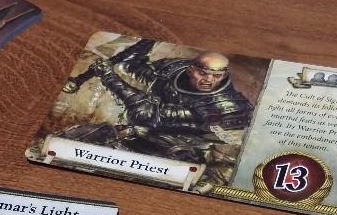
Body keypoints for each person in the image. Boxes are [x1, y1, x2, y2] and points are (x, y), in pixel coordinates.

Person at [59, 39, 253, 180]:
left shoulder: (226, 107)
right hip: (140, 137)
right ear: (191, 69)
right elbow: (132, 66)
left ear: (224, 74)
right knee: (71, 140)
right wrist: (146, 42)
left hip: (178, 157)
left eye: (216, 76)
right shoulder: (175, 70)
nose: (209, 80)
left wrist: (108, 76)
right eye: (203, 73)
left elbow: (145, 114)